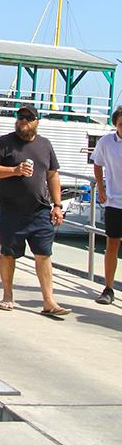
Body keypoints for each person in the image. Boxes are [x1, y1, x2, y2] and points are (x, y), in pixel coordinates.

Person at [0, 104, 70, 318]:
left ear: (36, 122)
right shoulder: (5, 142)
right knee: (8, 253)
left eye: (28, 117)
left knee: (44, 254)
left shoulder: (45, 145)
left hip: (39, 210)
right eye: (20, 116)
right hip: (10, 209)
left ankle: (49, 301)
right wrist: (14, 170)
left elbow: (52, 175)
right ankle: (7, 295)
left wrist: (57, 205)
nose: (23, 120)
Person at [91, 106, 122, 304]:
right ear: (116, 124)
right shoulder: (106, 142)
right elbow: (97, 163)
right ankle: (108, 288)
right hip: (114, 201)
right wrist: (101, 189)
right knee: (112, 244)